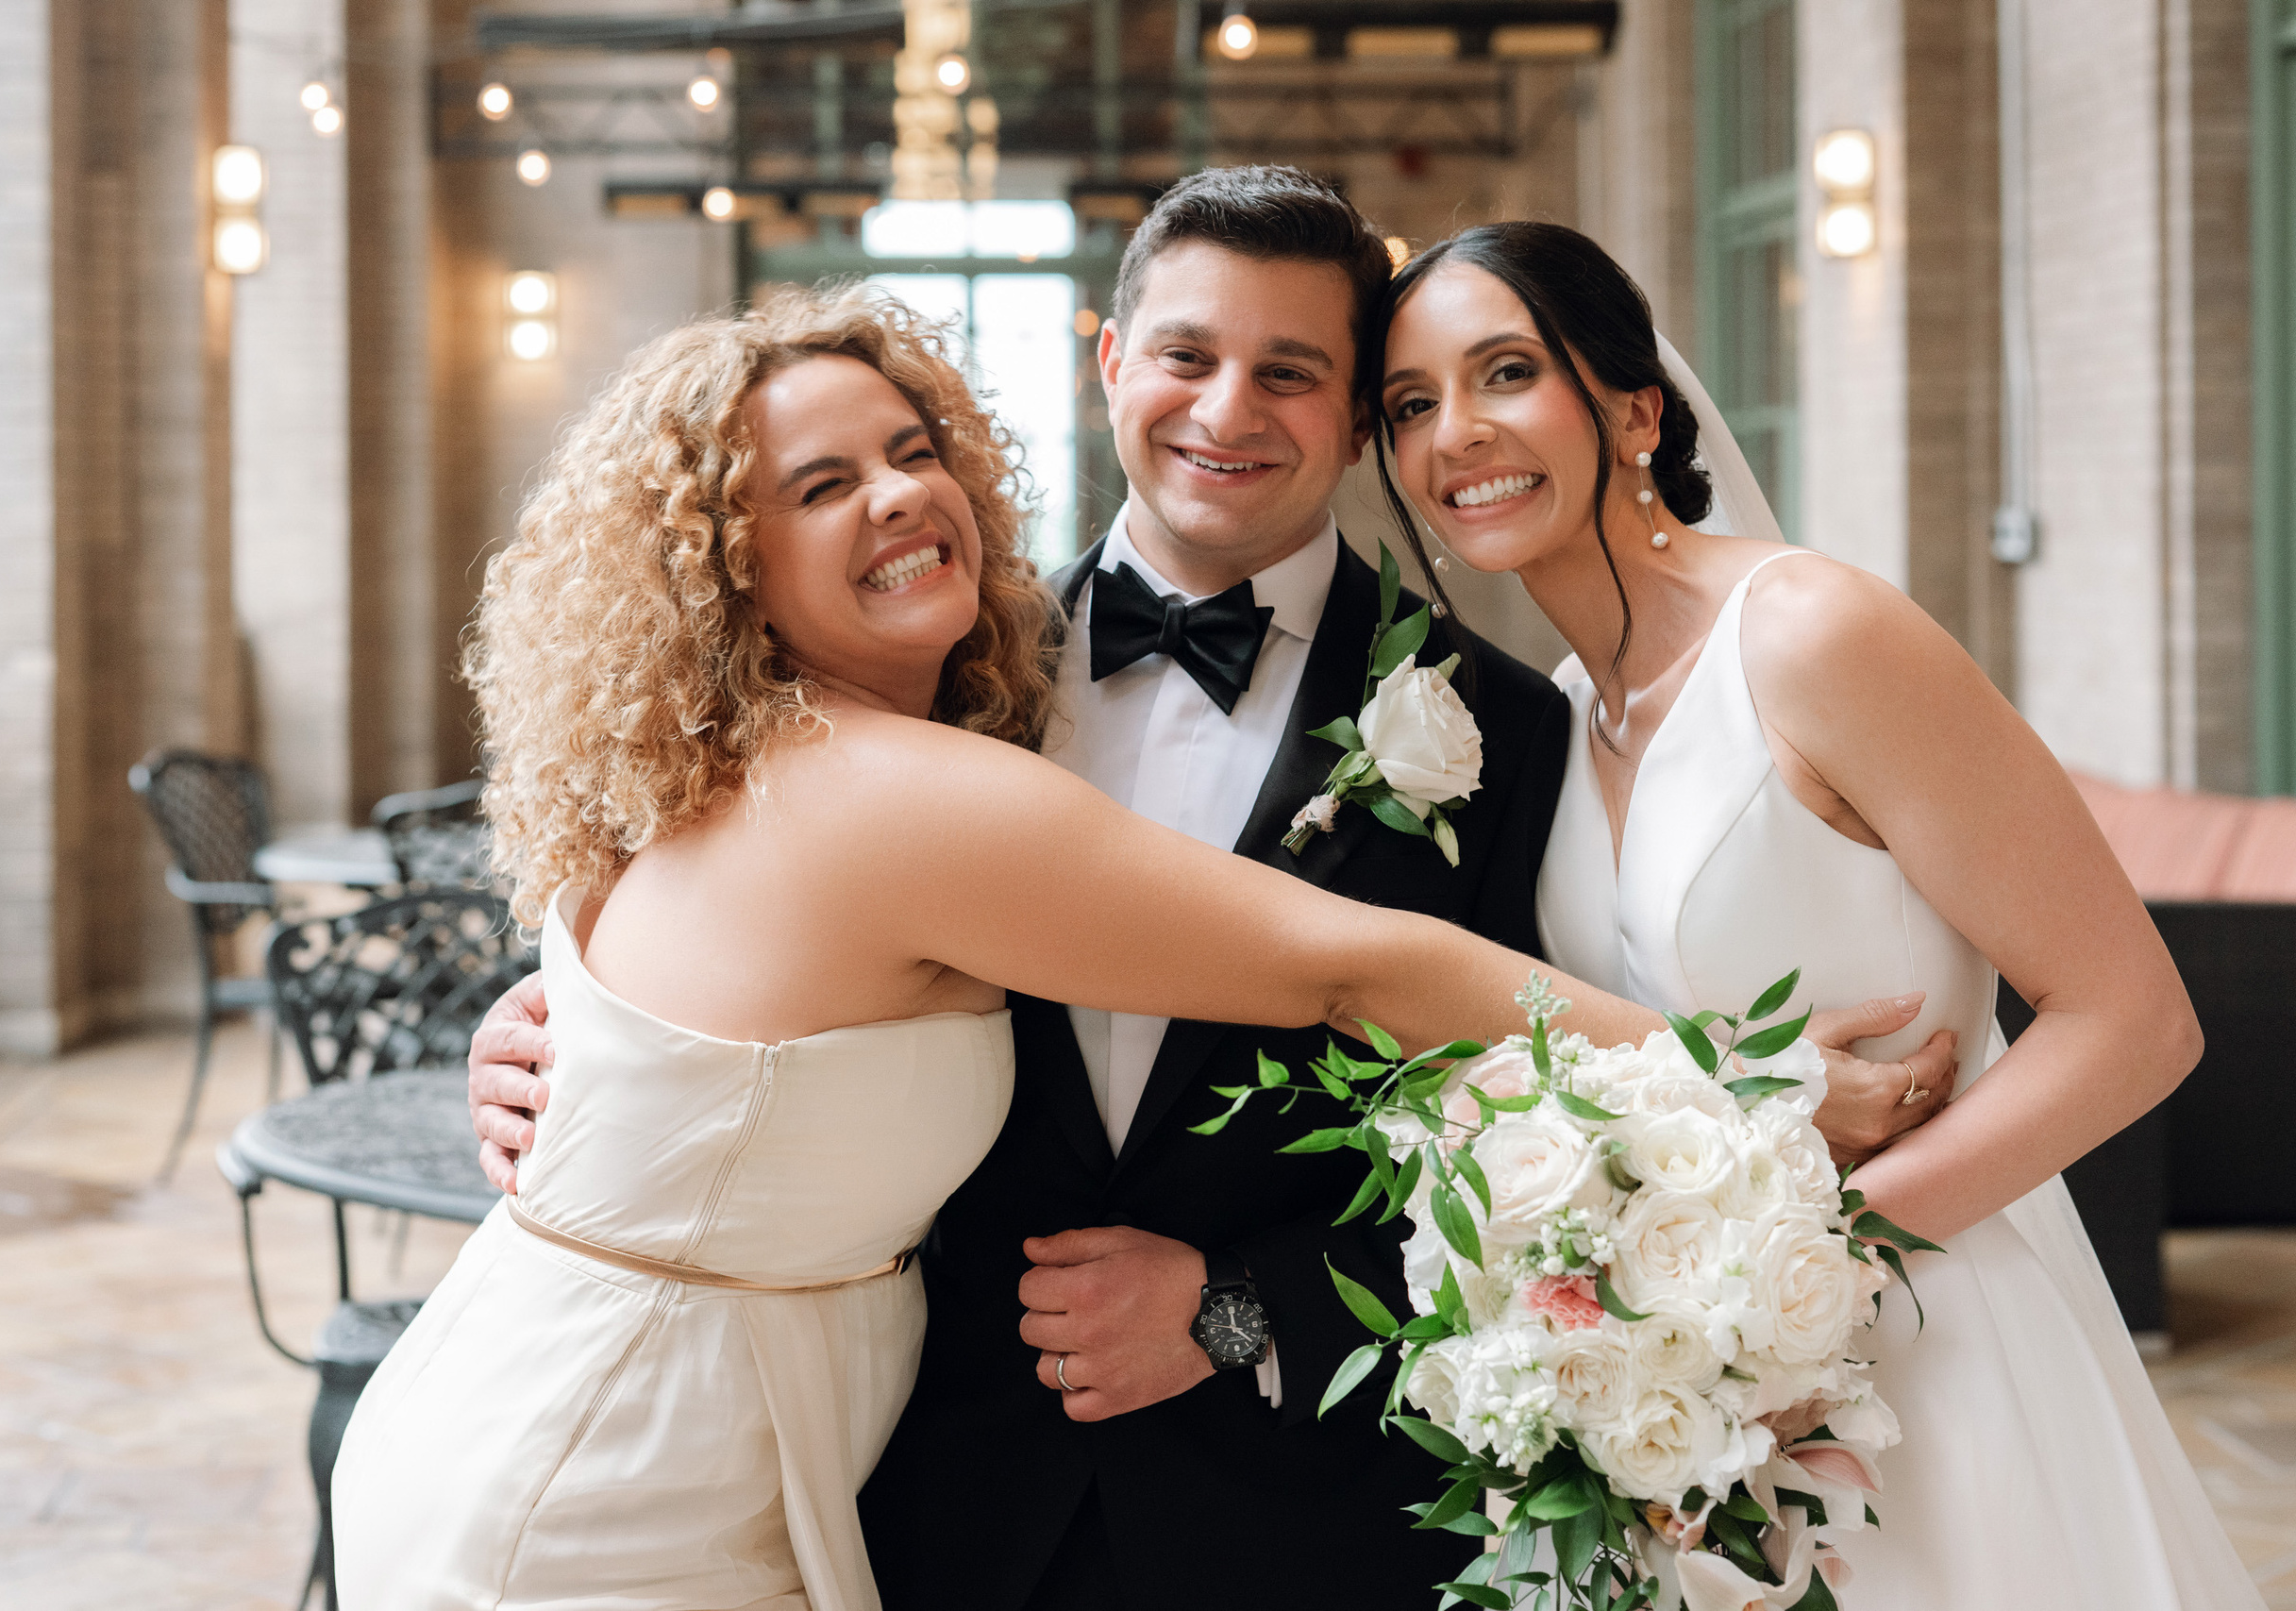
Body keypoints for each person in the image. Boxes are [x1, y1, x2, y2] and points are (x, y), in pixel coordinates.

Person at [461, 168, 1954, 1611]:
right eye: (1187, 353)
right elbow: (738, 923)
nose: (1228, 411)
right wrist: (554, 1037)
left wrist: (1241, 1308)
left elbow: (1515, 1114)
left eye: (1293, 372)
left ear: (1361, 420)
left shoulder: (1502, 725)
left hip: (1299, 1501)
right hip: (934, 1490)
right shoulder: (940, 670)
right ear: (1115, 362)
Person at [1371, 219, 2257, 1608]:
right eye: (1411, 405)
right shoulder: (1554, 716)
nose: (1455, 435)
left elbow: (2136, 1022)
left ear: (1636, 408)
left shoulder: (1812, 635)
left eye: (1504, 374)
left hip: (1927, 1347)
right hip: (1686, 1411)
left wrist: (1800, 1287)